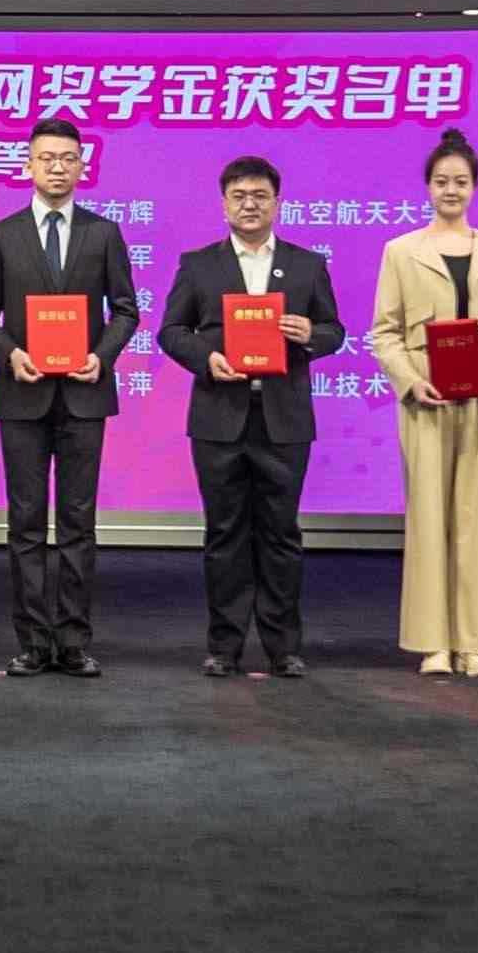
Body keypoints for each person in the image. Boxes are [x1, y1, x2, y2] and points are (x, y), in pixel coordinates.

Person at [155, 156, 343, 678]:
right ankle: (224, 646)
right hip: (220, 416)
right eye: (239, 196)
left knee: (281, 534)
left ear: (277, 203)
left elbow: (335, 330)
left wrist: (311, 335)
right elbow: (171, 331)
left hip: (284, 418)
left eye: (260, 195)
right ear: (224, 205)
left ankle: (284, 648)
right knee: (225, 533)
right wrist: (206, 359)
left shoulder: (307, 265)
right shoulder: (199, 265)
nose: (249, 205)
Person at [0, 118, 140, 679]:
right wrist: (9, 353)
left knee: (77, 522)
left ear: (83, 167)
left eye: (68, 158)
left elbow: (126, 310)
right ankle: (32, 642)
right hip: (23, 392)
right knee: (24, 521)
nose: (58, 167)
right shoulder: (3, 234)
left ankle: (72, 641)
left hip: (85, 394)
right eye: (47, 158)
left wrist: (102, 355)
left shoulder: (103, 233)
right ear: (28, 166)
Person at [368, 127, 478, 677]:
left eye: (460, 182)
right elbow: (384, 332)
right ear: (428, 187)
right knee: (429, 517)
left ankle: (476, 643)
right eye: (441, 181)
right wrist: (410, 380)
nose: (451, 190)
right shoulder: (400, 251)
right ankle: (433, 642)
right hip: (426, 396)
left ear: (474, 187)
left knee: (477, 518)